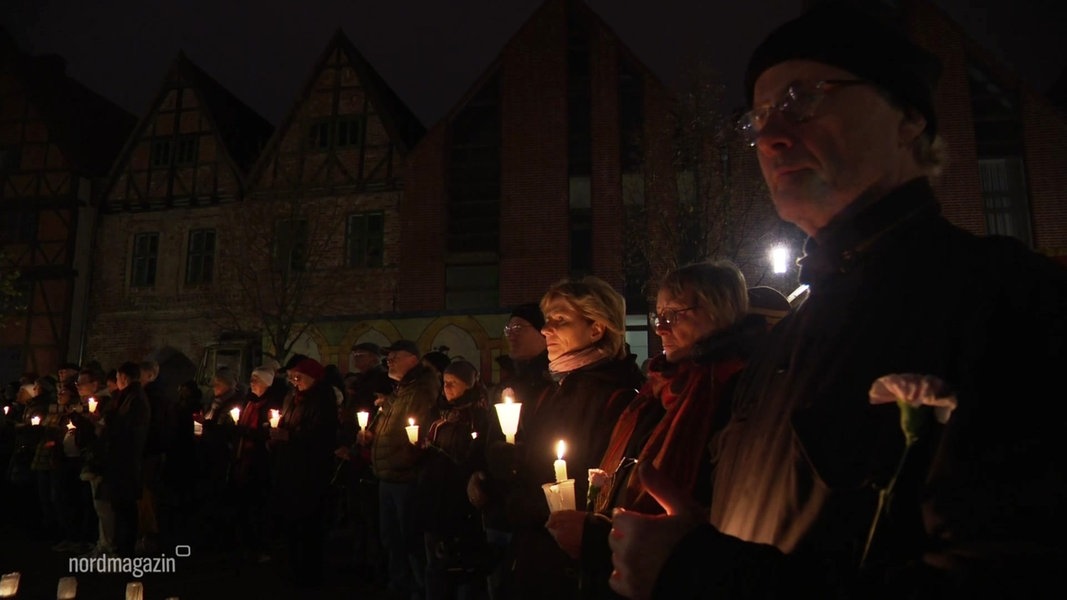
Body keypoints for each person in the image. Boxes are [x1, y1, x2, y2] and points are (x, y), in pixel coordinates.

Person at [606, 4, 1067, 599]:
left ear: (907, 118)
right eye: (759, 118)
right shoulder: (783, 344)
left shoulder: (1004, 298)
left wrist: (701, 572)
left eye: (803, 99)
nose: (771, 136)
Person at [545, 261, 762, 599]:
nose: (660, 328)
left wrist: (601, 538)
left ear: (720, 311)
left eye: (674, 314)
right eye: (658, 315)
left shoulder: (735, 396)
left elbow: (715, 519)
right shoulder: (656, 393)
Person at [489, 277, 645, 600]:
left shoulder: (619, 399)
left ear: (597, 329)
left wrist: (520, 494)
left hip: (567, 571)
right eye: (547, 320)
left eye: (560, 320)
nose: (546, 330)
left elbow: (594, 492)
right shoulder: (558, 390)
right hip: (533, 556)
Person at [359, 339, 440, 599]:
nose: (389, 361)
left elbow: (414, 433)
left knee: (409, 540)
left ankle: (418, 589)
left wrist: (408, 457)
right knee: (392, 539)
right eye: (388, 357)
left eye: (395, 356)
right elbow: (391, 428)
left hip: (406, 477)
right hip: (388, 475)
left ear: (412, 359)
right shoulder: (402, 390)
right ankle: (400, 585)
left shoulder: (421, 390)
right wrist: (372, 436)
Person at [419, 359, 490, 600]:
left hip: (458, 502)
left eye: (452, 383)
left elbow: (474, 456)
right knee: (435, 565)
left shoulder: (477, 417)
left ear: (468, 385)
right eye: (444, 383)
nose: (446, 388)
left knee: (462, 567)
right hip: (433, 497)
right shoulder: (439, 414)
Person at [269, 357, 339, 588]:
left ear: (312, 376)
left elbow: (321, 435)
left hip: (310, 472)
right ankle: (292, 567)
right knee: (291, 523)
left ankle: (311, 574)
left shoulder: (322, 398)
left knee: (310, 525)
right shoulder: (291, 397)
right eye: (290, 378)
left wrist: (289, 437)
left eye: (297, 377)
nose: (294, 382)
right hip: (288, 468)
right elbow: (286, 423)